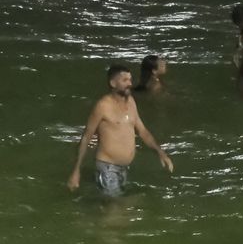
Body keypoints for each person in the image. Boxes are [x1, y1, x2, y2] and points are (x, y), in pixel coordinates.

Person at [68, 64, 174, 197]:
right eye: (125, 80)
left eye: (130, 79)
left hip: (123, 168)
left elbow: (143, 131)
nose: (130, 83)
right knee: (117, 209)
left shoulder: (131, 102)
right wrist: (76, 171)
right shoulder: (103, 106)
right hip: (107, 168)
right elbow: (86, 138)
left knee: (118, 207)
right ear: (113, 83)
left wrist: (160, 153)